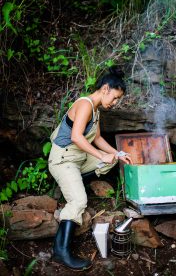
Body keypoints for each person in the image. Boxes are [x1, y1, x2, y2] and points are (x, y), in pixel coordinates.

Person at [48, 66, 132, 271]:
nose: (115, 103)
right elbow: (76, 137)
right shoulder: (85, 104)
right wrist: (101, 155)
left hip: (78, 159)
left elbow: (97, 138)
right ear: (105, 88)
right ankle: (61, 253)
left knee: (112, 160)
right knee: (78, 201)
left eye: (118, 100)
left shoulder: (95, 110)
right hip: (63, 159)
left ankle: (75, 180)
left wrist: (117, 153)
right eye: (115, 98)